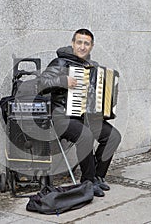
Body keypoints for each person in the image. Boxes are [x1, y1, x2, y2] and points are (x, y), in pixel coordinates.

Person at [39, 28, 121, 197]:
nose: (82, 47)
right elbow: (40, 84)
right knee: (86, 135)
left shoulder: (91, 66)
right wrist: (62, 80)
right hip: (62, 116)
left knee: (113, 136)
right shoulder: (60, 63)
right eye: (79, 42)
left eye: (86, 43)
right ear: (73, 43)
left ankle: (98, 176)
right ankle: (88, 181)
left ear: (91, 46)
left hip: (85, 117)